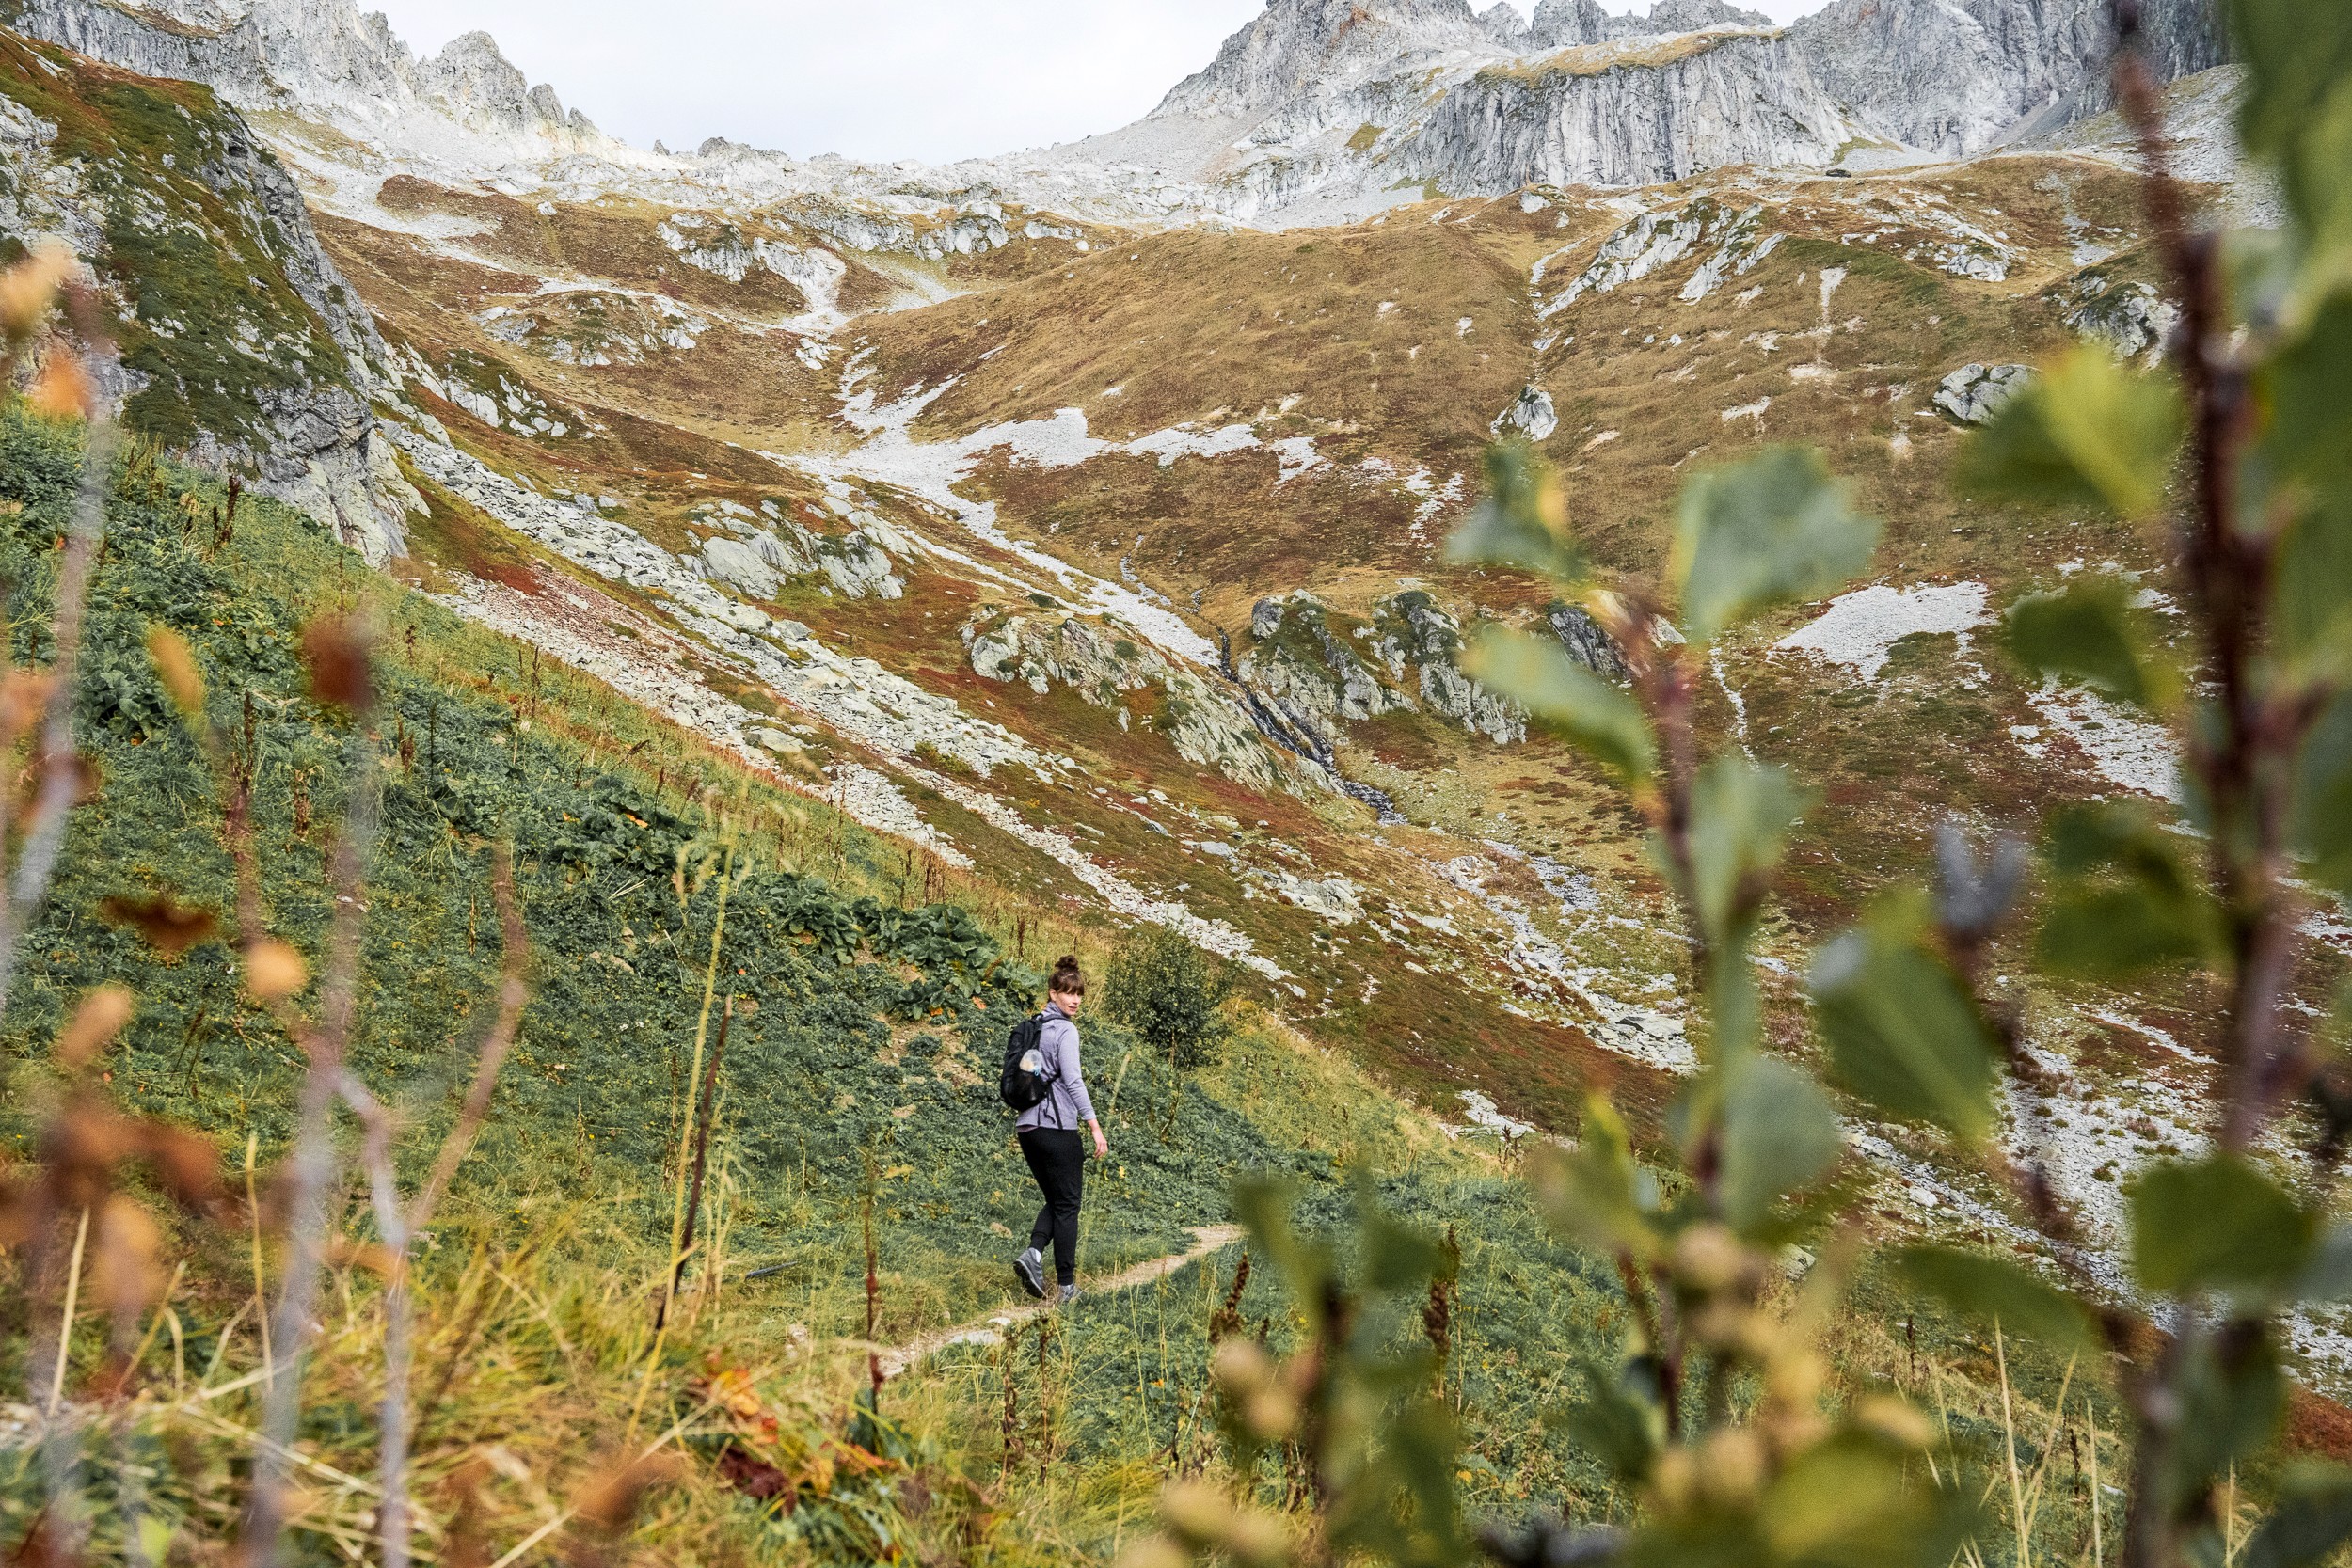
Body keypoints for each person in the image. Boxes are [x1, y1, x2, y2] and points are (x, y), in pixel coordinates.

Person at [1013, 957, 1107, 1306]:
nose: (1076, 1000)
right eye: (1068, 993)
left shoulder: (1035, 1027)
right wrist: (1095, 1127)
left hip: (1028, 1128)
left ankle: (1033, 1255)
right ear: (1053, 993)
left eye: (1079, 994)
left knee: (1057, 1200)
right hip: (1056, 1127)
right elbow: (1073, 1080)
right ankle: (1066, 1289)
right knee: (1068, 1205)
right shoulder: (1066, 1030)